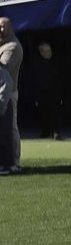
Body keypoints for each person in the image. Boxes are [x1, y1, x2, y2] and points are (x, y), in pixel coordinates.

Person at [0, 17, 20, 171]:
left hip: (8, 93)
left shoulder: (12, 46)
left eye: (3, 26)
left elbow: (3, 69)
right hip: (3, 90)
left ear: (10, 28)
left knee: (10, 129)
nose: (0, 29)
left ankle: (14, 161)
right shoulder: (2, 43)